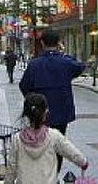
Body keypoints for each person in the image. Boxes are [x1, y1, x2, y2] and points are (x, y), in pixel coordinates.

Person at [19, 29, 85, 172]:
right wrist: (64, 53)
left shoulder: (34, 64)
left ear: (42, 43)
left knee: (39, 144)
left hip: (39, 112)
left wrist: (33, 101)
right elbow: (80, 66)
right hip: (62, 113)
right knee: (58, 145)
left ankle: (42, 173)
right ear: (58, 43)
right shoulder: (65, 62)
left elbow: (24, 86)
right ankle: (54, 174)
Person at [4, 93, 87, 184]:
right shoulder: (53, 136)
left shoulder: (17, 139)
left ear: (26, 115)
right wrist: (83, 162)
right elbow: (71, 152)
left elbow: (11, 166)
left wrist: (8, 182)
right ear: (45, 113)